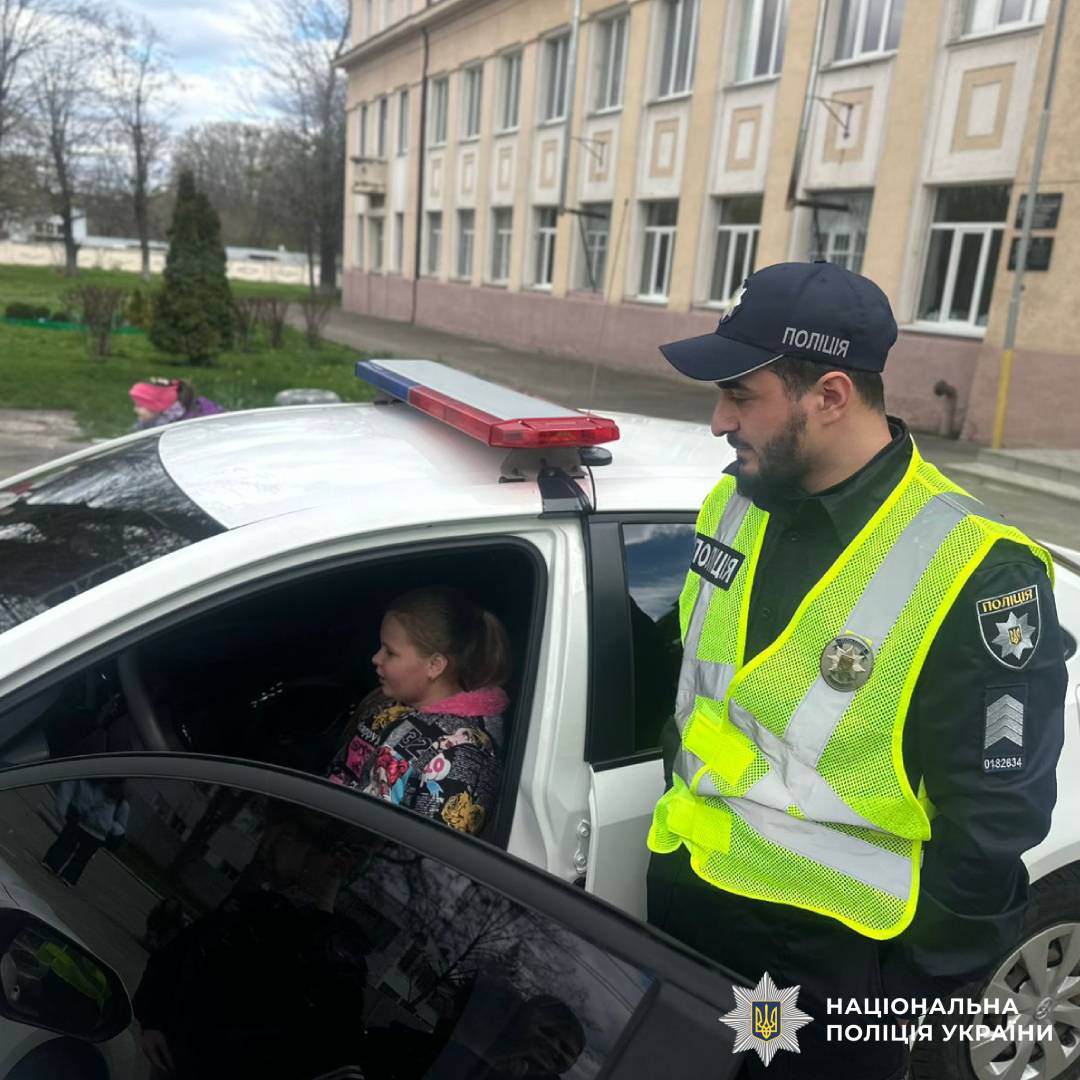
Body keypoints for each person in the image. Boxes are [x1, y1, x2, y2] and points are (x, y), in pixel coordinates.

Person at [645, 261, 1067, 1079]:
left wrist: (915, 996)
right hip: (690, 902)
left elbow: (993, 818)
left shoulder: (977, 569)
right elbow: (703, 690)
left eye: (741, 394)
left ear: (830, 396)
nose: (717, 420)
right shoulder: (735, 502)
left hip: (832, 963)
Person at [327, 585, 511, 836]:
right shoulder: (389, 701)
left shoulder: (460, 757)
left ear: (434, 665)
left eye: (390, 652)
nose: (376, 658)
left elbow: (431, 863)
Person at [42, 779, 129, 886]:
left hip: (97, 832)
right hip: (83, 823)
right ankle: (54, 865)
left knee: (81, 856)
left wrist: (109, 826)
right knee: (67, 845)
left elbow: (121, 824)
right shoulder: (95, 784)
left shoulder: (120, 800)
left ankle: (67, 876)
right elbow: (83, 798)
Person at [129, 378, 225, 431]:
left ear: (157, 407)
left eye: (139, 406)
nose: (135, 409)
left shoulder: (174, 426)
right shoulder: (160, 416)